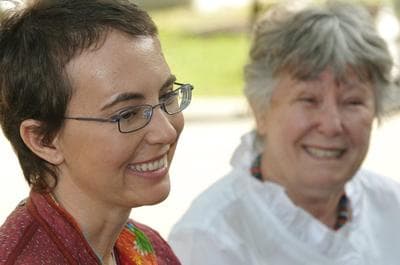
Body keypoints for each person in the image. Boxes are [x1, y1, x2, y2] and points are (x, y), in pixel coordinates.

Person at [168, 2, 400, 264]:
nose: (332, 124)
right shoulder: (208, 240)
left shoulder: (392, 207)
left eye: (353, 101)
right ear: (260, 111)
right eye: (308, 100)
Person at [0, 0, 193, 264]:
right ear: (44, 140)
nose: (166, 132)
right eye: (127, 114)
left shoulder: (145, 247)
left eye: (167, 95)